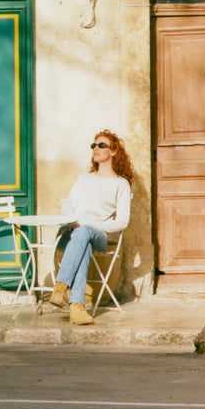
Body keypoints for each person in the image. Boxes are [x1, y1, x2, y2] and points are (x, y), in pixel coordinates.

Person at [50, 129, 133, 325]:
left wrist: (88, 224)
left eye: (101, 145)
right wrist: (72, 220)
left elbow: (122, 222)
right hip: (74, 232)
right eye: (94, 145)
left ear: (113, 151)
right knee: (82, 239)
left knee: (85, 232)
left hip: (99, 235)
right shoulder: (84, 178)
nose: (96, 148)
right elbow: (67, 203)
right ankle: (77, 307)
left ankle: (60, 286)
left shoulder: (121, 184)